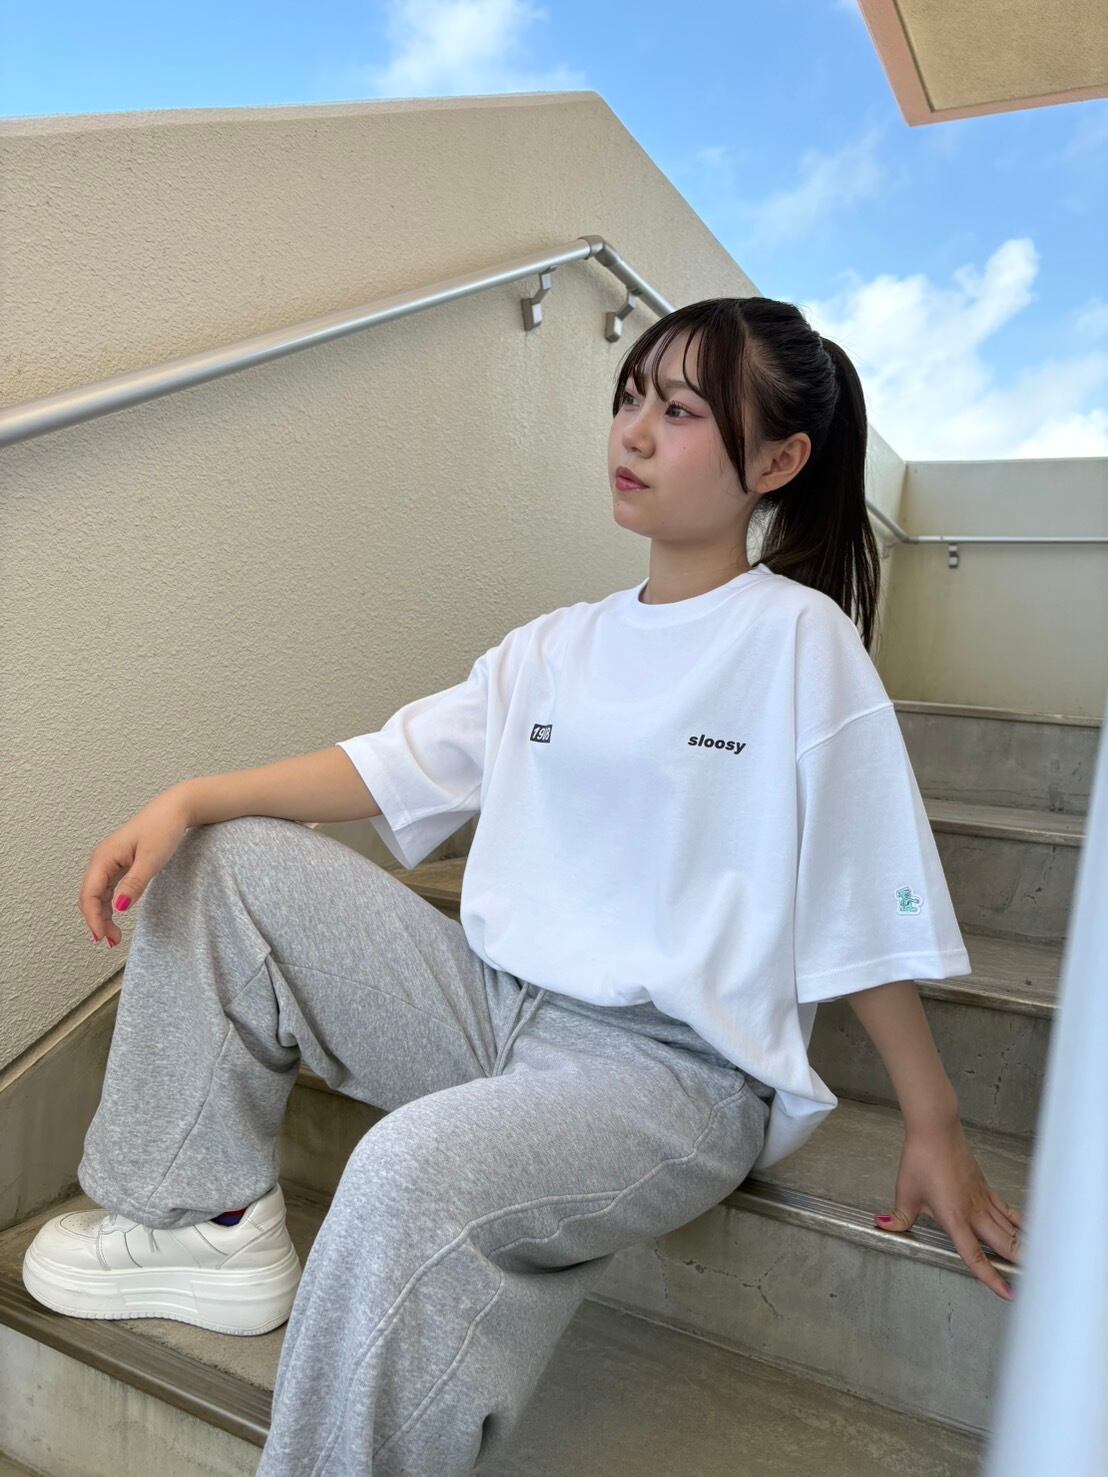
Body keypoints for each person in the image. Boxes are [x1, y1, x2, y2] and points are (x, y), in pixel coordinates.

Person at [24, 296, 1022, 1475]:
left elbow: (860, 894)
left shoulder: (799, 644)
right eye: (630, 397)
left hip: (671, 1073)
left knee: (407, 1172)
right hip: (490, 1007)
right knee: (223, 860)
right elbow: (390, 764)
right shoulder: (554, 644)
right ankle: (204, 1220)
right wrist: (191, 796)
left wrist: (933, 1121)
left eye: (680, 411)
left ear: (776, 461)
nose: (633, 432)